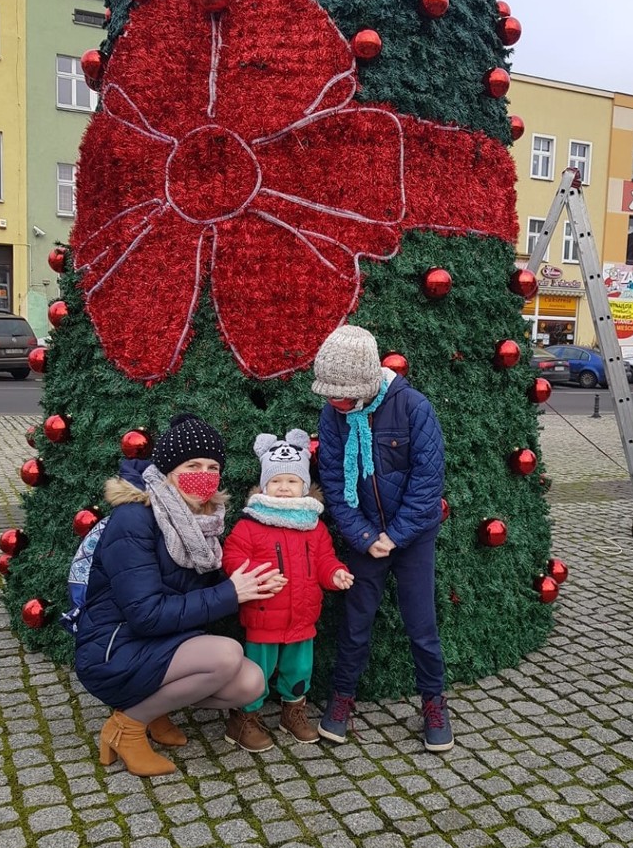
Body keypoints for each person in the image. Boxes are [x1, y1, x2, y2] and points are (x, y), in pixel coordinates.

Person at [75, 413, 284, 777]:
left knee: (251, 683)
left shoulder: (204, 522)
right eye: (192, 465)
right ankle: (127, 726)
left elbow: (200, 595)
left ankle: (155, 710)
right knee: (226, 654)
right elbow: (146, 614)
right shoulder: (134, 520)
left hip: (162, 644)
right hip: (113, 648)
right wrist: (231, 593)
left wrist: (249, 583)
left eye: (212, 466)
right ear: (168, 470)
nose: (203, 474)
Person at [311, 325, 454, 752]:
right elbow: (334, 481)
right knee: (355, 624)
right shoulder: (333, 414)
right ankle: (341, 700)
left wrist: (395, 536)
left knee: (421, 626)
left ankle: (434, 703)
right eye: (330, 395)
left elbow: (428, 482)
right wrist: (363, 534)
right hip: (365, 536)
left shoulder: (413, 407)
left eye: (343, 395)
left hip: (412, 535)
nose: (336, 403)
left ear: (368, 383)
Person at [222, 429, 353, 752]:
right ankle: (243, 718)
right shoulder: (250, 525)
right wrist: (257, 577)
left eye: (292, 482)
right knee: (256, 672)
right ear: (265, 485)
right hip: (263, 616)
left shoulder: (314, 525)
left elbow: (324, 559)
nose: (283, 488)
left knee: (299, 670)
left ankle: (292, 712)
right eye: (276, 481)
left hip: (302, 617)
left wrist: (335, 573)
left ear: (304, 487)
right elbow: (232, 558)